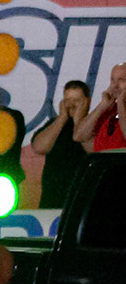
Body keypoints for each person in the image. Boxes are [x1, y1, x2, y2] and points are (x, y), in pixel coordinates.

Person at [32, 80, 95, 208]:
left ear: (87, 101)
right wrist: (61, 118)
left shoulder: (95, 123)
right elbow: (39, 147)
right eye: (67, 100)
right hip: (53, 199)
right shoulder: (55, 125)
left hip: (84, 199)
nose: (71, 105)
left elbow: (96, 151)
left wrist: (79, 120)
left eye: (76, 100)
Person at [77, 61, 126, 153]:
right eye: (112, 80)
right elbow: (80, 137)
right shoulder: (110, 110)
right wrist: (102, 106)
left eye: (121, 80)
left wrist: (121, 103)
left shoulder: (120, 108)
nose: (114, 86)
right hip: (105, 164)